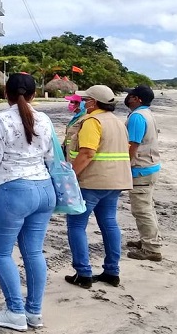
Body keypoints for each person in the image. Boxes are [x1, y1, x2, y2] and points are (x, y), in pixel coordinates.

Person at [0, 73, 56, 331]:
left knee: (1, 252)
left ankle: (15, 311)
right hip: (44, 189)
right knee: (34, 252)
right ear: (33, 94)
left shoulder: (1, 120)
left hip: (14, 191)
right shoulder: (45, 118)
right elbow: (51, 156)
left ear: (6, 93)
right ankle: (34, 313)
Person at [65, 85, 133, 289]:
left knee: (76, 226)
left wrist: (71, 177)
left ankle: (83, 273)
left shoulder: (92, 121)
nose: (83, 103)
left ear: (93, 102)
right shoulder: (118, 122)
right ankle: (112, 271)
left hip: (92, 181)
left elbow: (87, 153)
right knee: (109, 224)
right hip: (115, 182)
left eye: (85, 100)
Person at [124, 85, 163, 261]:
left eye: (131, 95)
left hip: (141, 169)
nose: (128, 97)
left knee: (142, 210)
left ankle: (151, 249)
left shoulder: (137, 117)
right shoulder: (146, 113)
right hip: (150, 166)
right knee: (148, 207)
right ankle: (149, 240)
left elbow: (133, 145)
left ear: (137, 99)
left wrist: (125, 166)